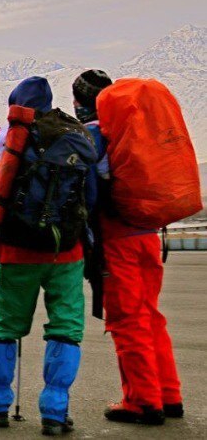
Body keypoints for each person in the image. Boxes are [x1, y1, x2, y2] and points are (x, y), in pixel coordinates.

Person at [0, 77, 97, 436]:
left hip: (17, 250)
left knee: (4, 326)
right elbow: (89, 197)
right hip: (67, 251)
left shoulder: (2, 137)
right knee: (65, 326)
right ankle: (55, 410)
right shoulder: (76, 134)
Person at [72, 70, 185, 425]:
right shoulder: (132, 131)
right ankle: (169, 395)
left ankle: (141, 401)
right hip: (148, 233)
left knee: (127, 320)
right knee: (151, 316)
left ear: (81, 103)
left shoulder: (94, 136)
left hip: (117, 239)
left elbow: (89, 195)